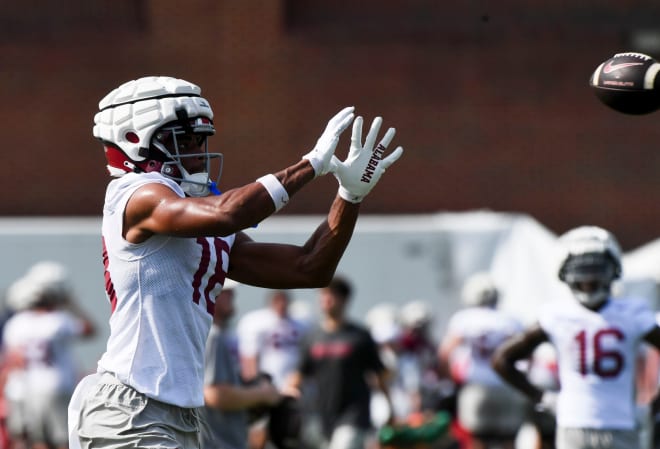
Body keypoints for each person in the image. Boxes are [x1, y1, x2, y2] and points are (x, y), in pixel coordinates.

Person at [68, 75, 403, 449]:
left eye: (199, 140)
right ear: (135, 142)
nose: (196, 152)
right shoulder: (134, 195)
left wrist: (349, 196)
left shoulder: (193, 211)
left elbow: (308, 268)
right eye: (183, 141)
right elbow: (230, 213)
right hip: (130, 406)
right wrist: (310, 165)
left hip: (177, 412)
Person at [492, 226, 660, 449]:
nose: (589, 282)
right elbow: (501, 359)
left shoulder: (556, 315)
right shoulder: (632, 312)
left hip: (582, 423)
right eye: (584, 275)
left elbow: (502, 359)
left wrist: (541, 398)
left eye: (594, 275)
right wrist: (652, 406)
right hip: (612, 422)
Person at [284, 276, 393, 449]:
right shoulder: (311, 338)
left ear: (344, 299)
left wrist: (390, 408)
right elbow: (299, 375)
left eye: (331, 295)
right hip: (321, 415)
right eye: (323, 295)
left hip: (354, 415)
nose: (325, 300)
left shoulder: (360, 336)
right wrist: (285, 396)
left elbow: (379, 374)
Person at [2, 261, 95, 449]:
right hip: (57, 384)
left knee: (37, 440)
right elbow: (89, 330)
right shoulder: (59, 320)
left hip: (29, 387)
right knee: (63, 439)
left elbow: (13, 360)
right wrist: (72, 305)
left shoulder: (16, 324)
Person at [437, 272, 528, 449]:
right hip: (505, 386)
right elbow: (527, 356)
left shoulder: (463, 319)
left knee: (476, 440)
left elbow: (444, 354)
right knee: (509, 440)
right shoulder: (510, 320)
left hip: (476, 387)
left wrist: (450, 380)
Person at [200, 279, 282, 449]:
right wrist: (264, 394)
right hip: (217, 443)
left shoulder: (207, 333)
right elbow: (215, 394)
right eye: (225, 291)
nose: (232, 294)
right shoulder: (213, 336)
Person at [236, 290, 308, 449]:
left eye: (284, 300)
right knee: (259, 431)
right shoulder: (256, 323)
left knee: (290, 435)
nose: (281, 304)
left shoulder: (301, 324)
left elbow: (307, 358)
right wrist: (257, 387)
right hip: (266, 388)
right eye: (277, 300)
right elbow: (249, 358)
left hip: (292, 390)